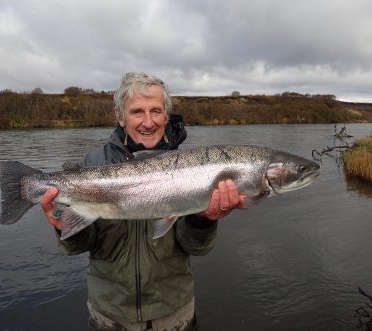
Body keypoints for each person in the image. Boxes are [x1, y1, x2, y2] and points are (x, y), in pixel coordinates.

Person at [40, 72, 246, 331]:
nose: (148, 122)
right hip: (110, 314)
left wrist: (203, 220)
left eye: (156, 111)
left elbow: (196, 248)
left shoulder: (195, 170)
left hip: (173, 312)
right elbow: (82, 244)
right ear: (120, 117)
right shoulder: (91, 166)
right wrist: (63, 229)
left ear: (166, 115)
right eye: (138, 112)